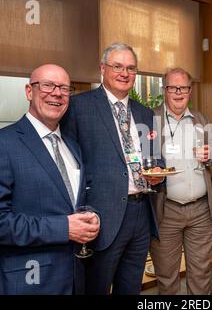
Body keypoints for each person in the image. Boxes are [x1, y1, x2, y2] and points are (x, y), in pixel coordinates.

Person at [61, 43, 163, 295]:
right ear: (102, 68)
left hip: (142, 212)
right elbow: (67, 163)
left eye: (130, 68)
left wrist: (159, 172)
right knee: (96, 286)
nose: (124, 73)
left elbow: (154, 156)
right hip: (101, 214)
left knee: (130, 287)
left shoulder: (145, 113)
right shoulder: (78, 107)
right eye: (117, 66)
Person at [0, 64, 100, 295]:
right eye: (47, 85)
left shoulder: (72, 146)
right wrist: (64, 228)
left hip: (75, 275)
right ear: (29, 91)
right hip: (29, 279)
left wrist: (92, 215)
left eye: (64, 88)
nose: (57, 93)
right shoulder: (5, 143)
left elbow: (76, 198)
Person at [149, 67, 212, 295]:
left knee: (201, 274)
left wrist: (211, 154)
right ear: (164, 90)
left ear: (190, 90)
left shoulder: (201, 118)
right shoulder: (150, 119)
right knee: (167, 278)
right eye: (172, 87)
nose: (178, 92)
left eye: (184, 88)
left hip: (201, 212)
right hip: (165, 212)